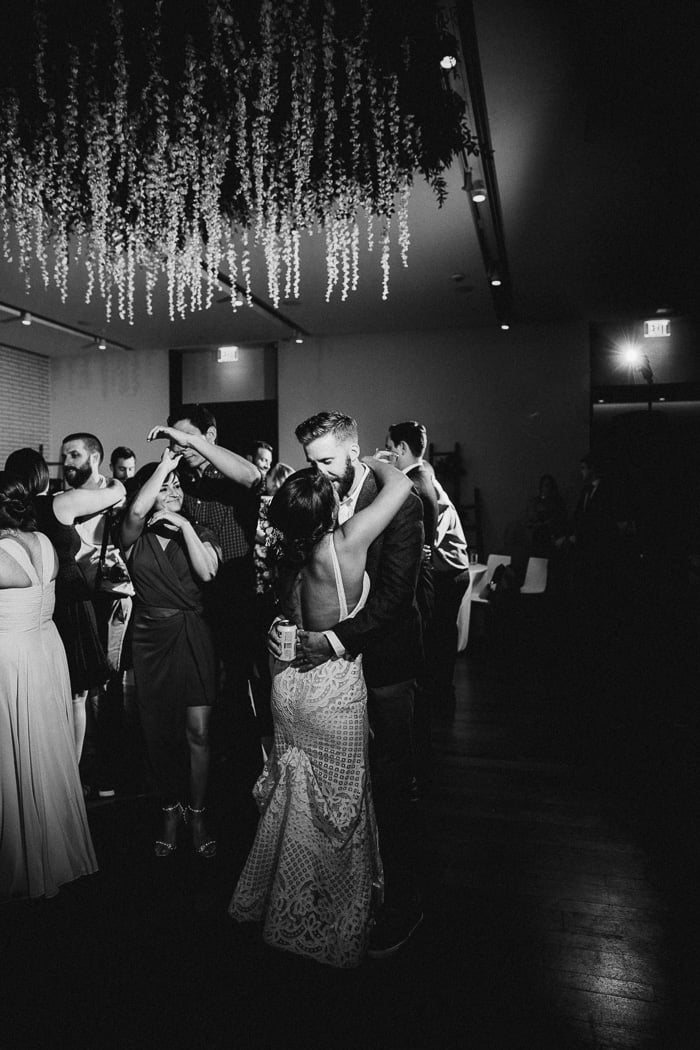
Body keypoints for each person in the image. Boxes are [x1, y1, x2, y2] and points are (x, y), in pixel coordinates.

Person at [230, 455, 412, 966]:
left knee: (294, 803)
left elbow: (282, 620)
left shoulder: (286, 555)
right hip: (332, 693)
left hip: (287, 686)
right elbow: (397, 484)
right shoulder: (346, 543)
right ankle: (332, 916)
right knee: (340, 809)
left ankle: (284, 902)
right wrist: (365, 459)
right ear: (331, 510)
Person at [268, 411, 425, 958]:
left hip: (383, 668)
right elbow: (294, 585)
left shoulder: (398, 506)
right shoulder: (315, 505)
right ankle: (337, 890)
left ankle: (400, 903)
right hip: (327, 680)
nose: (319, 473)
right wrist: (285, 626)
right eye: (311, 462)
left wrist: (330, 641)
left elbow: (395, 600)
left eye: (328, 461)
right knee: (335, 791)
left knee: (390, 784)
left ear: (354, 454)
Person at [0, 473, 98, 901]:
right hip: (45, 650)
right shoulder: (44, 542)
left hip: (11, 655)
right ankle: (52, 856)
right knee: (43, 749)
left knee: (14, 755)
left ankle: (21, 861)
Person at [120, 448, 221, 857]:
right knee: (158, 735)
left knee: (197, 731)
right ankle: (169, 808)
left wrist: (184, 525)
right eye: (165, 487)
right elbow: (133, 513)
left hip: (193, 634)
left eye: (178, 485)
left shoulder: (202, 529)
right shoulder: (132, 536)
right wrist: (164, 464)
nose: (174, 490)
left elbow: (208, 571)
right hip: (150, 640)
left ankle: (197, 813)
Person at [148, 406, 262, 744]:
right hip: (192, 594)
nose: (181, 447)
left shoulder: (228, 472)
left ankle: (239, 759)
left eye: (187, 439)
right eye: (177, 440)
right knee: (201, 684)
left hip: (236, 590)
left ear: (210, 437)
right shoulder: (181, 477)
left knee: (238, 681)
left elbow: (252, 476)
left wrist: (191, 442)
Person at [5, 447, 125, 764]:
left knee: (45, 695)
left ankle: (43, 764)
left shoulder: (13, 514)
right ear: (43, 474)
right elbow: (117, 492)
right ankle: (71, 768)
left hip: (34, 610)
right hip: (69, 604)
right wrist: (107, 478)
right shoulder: (58, 503)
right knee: (76, 696)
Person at [61, 432, 131, 797]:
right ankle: (80, 770)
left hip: (110, 597)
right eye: (65, 456)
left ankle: (108, 770)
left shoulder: (115, 493)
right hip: (78, 600)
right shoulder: (65, 498)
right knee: (78, 691)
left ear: (95, 457)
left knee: (106, 687)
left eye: (74, 455)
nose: (67, 463)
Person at [250, 461, 295, 752]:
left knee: (267, 677)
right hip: (268, 601)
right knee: (269, 677)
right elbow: (274, 554)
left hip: (266, 601)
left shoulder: (271, 519)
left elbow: (272, 552)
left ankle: (274, 745)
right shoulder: (270, 517)